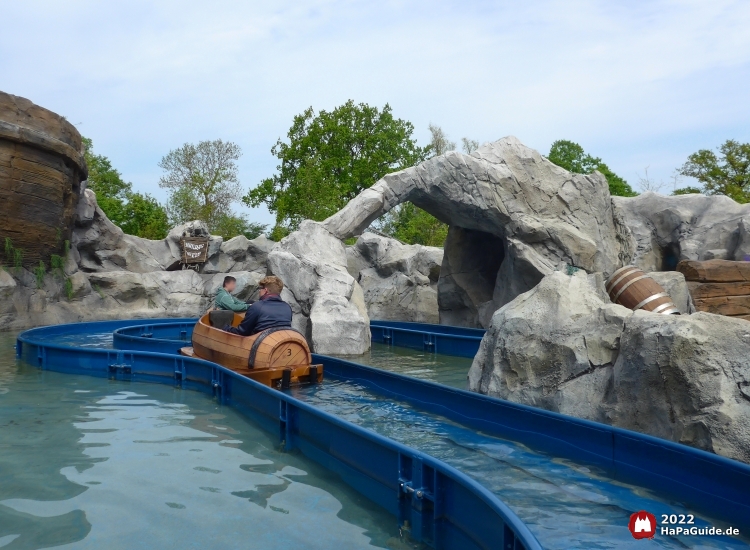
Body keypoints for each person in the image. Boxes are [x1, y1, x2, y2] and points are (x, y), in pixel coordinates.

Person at [225, 275, 292, 336]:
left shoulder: (257, 306)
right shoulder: (287, 307)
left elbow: (242, 332)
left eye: (260, 288)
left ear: (265, 290)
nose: (259, 291)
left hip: (261, 346)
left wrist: (225, 328)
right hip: (282, 345)